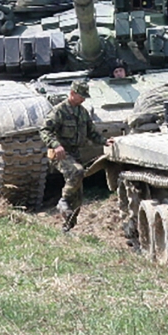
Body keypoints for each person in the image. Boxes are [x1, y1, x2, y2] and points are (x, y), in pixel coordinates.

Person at [39, 79, 105, 232]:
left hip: (75, 154)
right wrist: (56, 145)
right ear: (72, 93)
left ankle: (67, 227)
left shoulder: (82, 112)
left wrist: (105, 142)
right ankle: (63, 201)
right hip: (60, 154)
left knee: (77, 197)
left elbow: (92, 133)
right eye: (80, 96)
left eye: (84, 97)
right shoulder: (59, 111)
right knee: (77, 171)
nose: (83, 99)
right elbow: (44, 130)